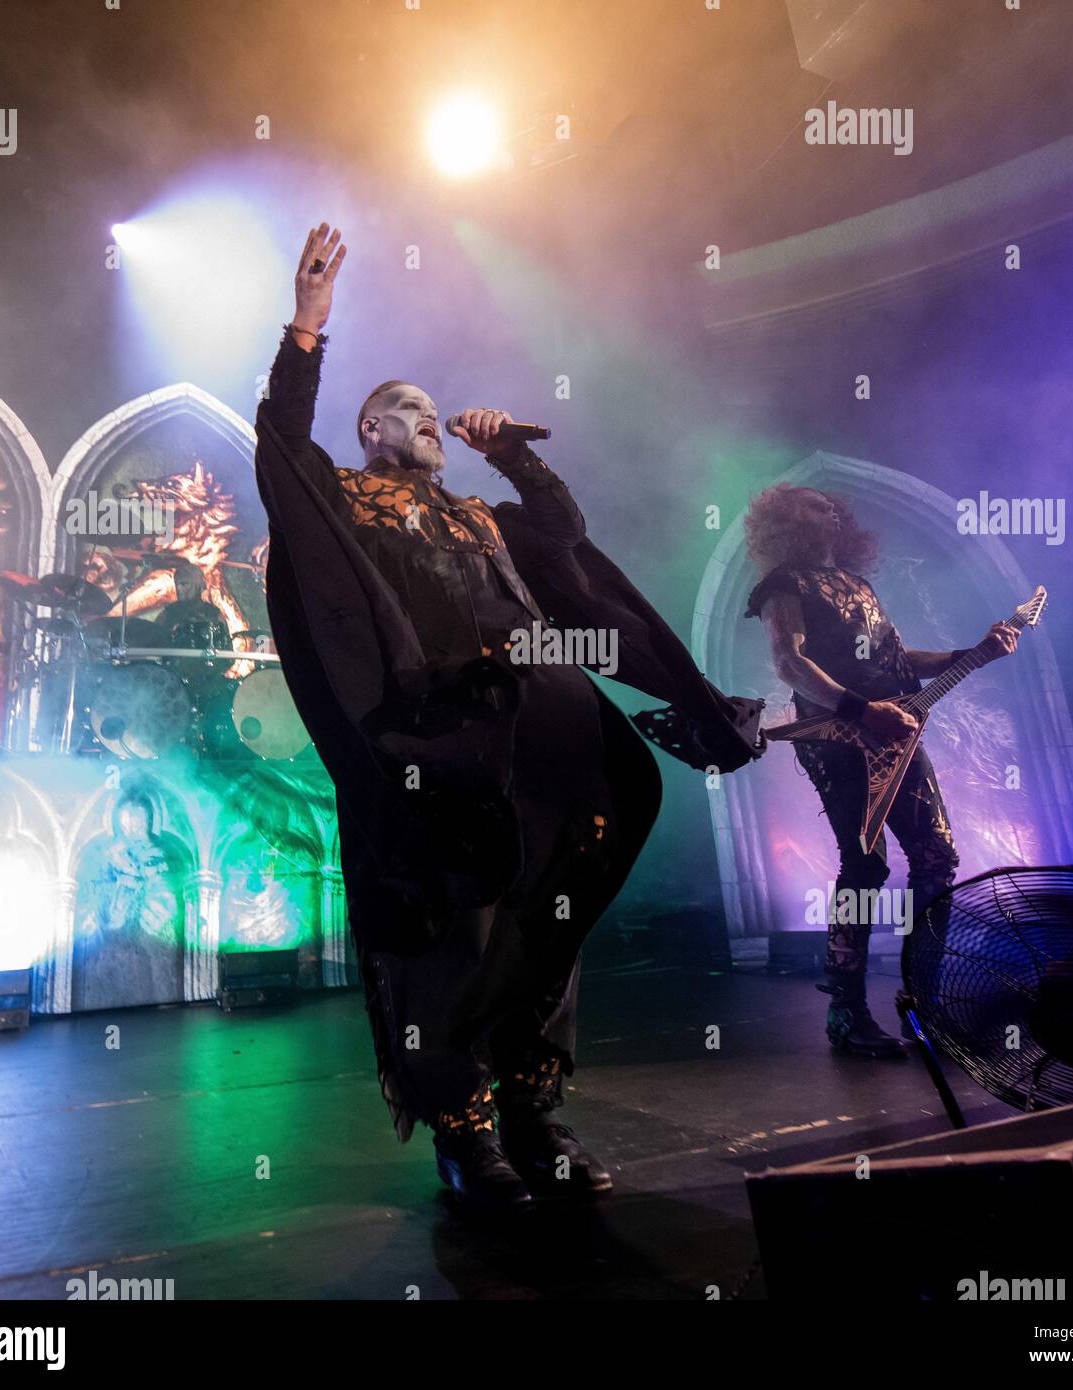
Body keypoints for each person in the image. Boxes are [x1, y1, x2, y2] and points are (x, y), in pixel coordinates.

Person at [252, 222, 762, 1209]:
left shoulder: (485, 515)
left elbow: (567, 545)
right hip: (447, 734)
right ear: (370, 430)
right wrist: (307, 330)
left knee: (551, 919)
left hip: (554, 720)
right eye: (409, 409)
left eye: (438, 410)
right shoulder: (350, 499)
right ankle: (462, 1125)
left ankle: (534, 1111)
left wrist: (516, 459)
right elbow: (281, 456)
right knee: (461, 923)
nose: (430, 418)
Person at [744, 483, 1018, 1058]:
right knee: (865, 865)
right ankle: (846, 1010)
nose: (831, 510)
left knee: (937, 855)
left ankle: (926, 1003)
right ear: (785, 521)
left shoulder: (859, 584)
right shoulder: (783, 586)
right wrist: (860, 709)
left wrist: (973, 652)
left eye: (832, 505)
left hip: (893, 733)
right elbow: (789, 662)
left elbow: (897, 659)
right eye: (814, 504)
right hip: (836, 736)